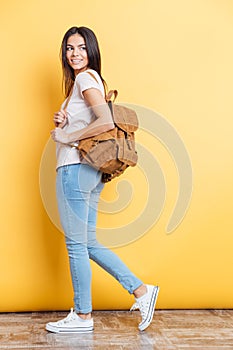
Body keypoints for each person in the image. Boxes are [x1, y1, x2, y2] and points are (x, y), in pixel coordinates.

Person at [46, 26, 159, 334]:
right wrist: (67, 120)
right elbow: (94, 119)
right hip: (90, 172)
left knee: (75, 246)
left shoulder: (84, 78)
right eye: (69, 48)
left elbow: (106, 121)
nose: (74, 54)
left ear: (91, 51)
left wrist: (67, 136)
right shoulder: (87, 82)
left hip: (74, 170)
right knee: (89, 243)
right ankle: (142, 291)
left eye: (81, 47)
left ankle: (82, 316)